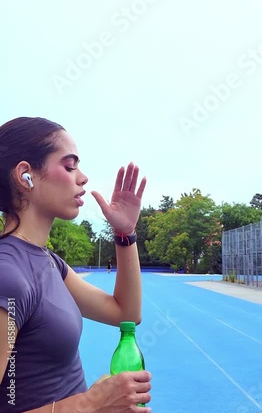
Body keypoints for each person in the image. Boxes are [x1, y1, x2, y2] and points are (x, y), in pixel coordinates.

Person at [0, 117, 152, 413]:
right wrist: (92, 402)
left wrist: (125, 234)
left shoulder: (49, 262)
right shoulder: (8, 275)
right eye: (69, 166)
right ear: (25, 176)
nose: (82, 178)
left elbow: (127, 313)